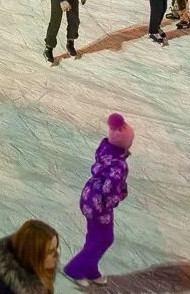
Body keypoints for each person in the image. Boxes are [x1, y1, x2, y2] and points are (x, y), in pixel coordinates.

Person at [62, 113, 133, 286]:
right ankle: (75, 269)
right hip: (99, 205)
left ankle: (90, 269)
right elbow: (110, 190)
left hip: (89, 197)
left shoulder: (105, 150)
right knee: (104, 239)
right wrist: (117, 199)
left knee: (95, 237)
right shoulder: (119, 165)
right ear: (125, 143)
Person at [0, 220, 59, 294]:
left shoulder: (40, 273)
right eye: (50, 252)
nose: (56, 255)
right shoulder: (4, 290)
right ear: (33, 256)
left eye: (56, 248)